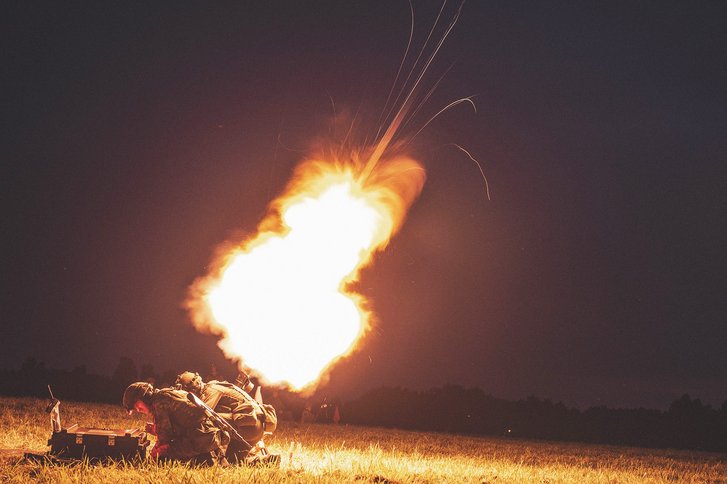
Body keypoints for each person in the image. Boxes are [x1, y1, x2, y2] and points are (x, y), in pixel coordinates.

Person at [175, 371, 278, 464]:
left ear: (191, 389)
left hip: (250, 426)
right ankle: (265, 461)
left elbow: (200, 417)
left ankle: (210, 455)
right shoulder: (213, 386)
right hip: (253, 429)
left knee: (207, 421)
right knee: (233, 460)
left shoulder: (210, 390)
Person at [122, 382, 230, 465]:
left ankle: (200, 457)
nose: (138, 410)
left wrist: (153, 456)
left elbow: (164, 437)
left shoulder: (159, 403)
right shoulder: (164, 394)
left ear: (143, 397)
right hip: (207, 435)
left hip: (202, 438)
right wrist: (155, 429)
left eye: (137, 406)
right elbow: (178, 425)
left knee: (162, 454)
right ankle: (203, 456)